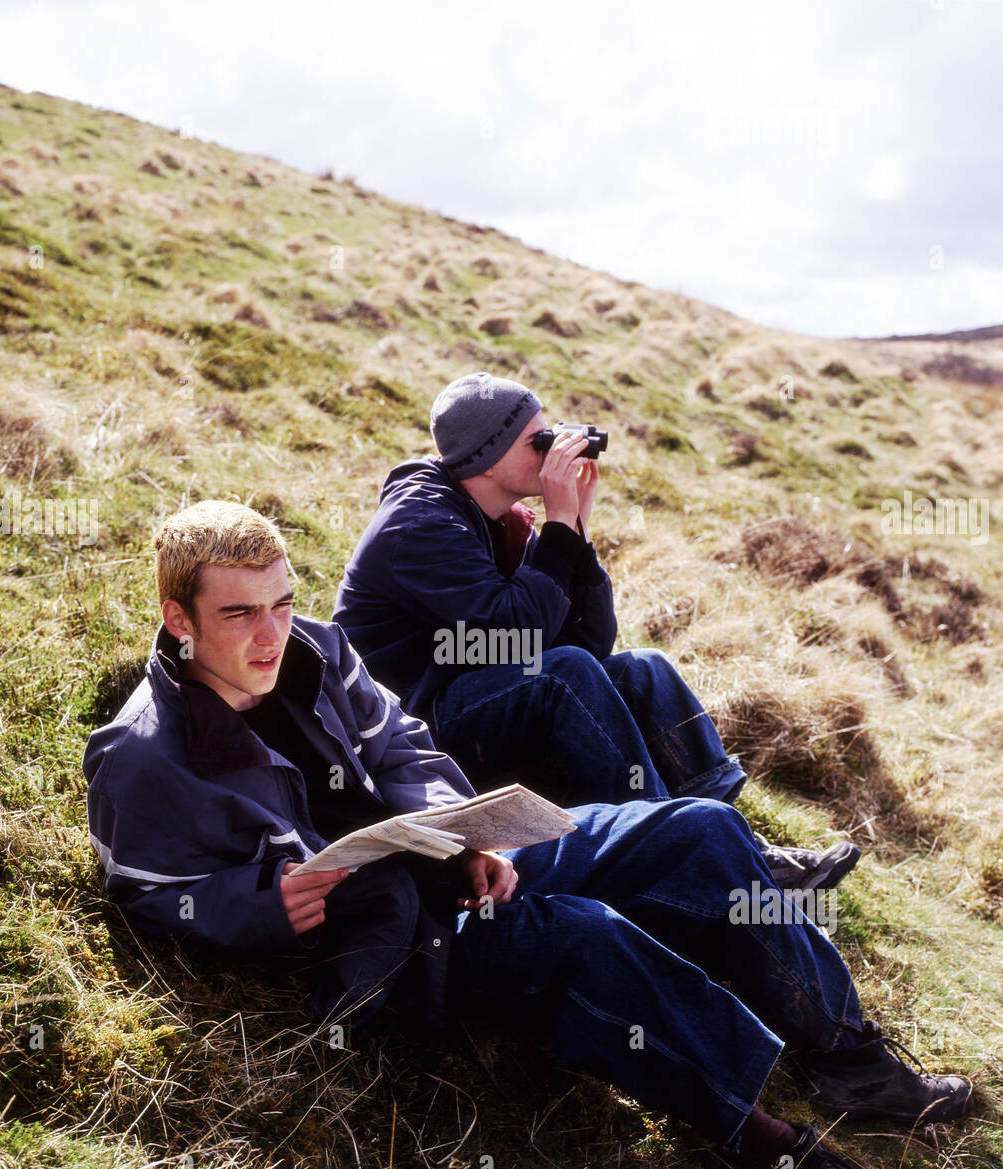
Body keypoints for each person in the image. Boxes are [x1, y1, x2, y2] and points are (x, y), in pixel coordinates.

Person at [83, 501, 973, 1169]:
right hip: (385, 938)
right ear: (178, 618)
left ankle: (848, 1060)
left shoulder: (314, 651)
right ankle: (764, 1141)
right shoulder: (140, 754)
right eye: (240, 615)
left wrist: (473, 837)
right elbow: (146, 892)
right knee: (589, 936)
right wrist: (261, 907)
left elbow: (402, 741)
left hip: (450, 860)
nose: (271, 633)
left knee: (701, 829)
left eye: (281, 603)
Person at [332, 371, 859, 894]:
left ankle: (737, 845)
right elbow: (516, 633)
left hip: (471, 694)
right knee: (563, 676)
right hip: (412, 731)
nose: (553, 448)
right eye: (537, 440)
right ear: (490, 458)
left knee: (641, 669)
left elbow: (590, 642)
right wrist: (557, 526)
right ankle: (680, 844)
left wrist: (576, 530)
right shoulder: (419, 524)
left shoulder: (496, 518)